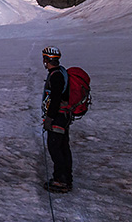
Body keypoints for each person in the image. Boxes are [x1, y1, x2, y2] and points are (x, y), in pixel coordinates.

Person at [41, 46, 73, 193]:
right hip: (63, 116)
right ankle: (66, 178)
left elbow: (55, 100)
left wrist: (49, 118)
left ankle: (61, 180)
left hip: (58, 117)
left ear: (47, 60)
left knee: (55, 148)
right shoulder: (60, 72)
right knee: (63, 147)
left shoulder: (56, 76)